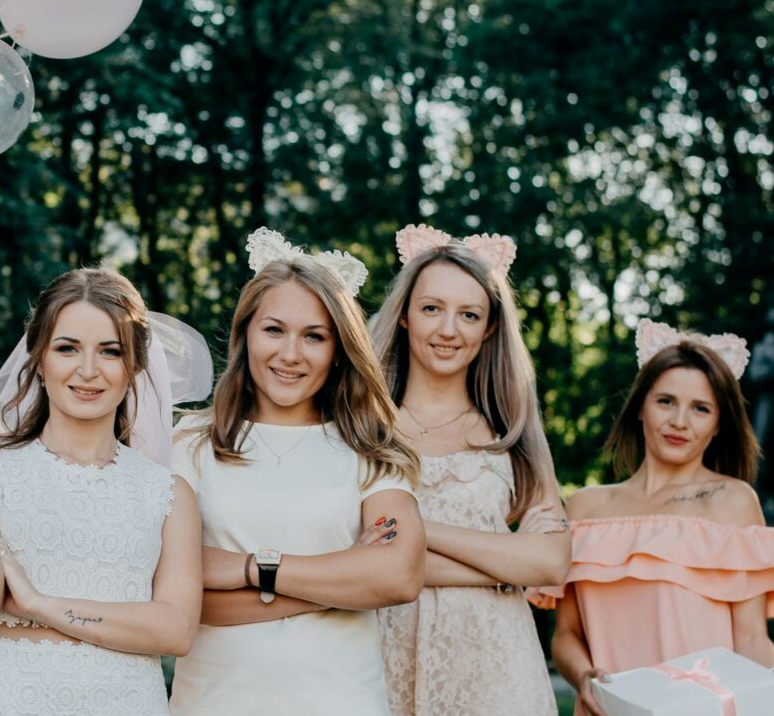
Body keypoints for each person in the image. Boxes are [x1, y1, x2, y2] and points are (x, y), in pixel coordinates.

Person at [0, 267, 203, 716]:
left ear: (134, 365)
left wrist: (40, 604)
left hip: (126, 701)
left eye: (109, 351)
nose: (87, 370)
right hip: (11, 697)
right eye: (67, 348)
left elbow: (175, 630)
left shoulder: (167, 492)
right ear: (39, 357)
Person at [169, 229, 424, 716]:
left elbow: (397, 576)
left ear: (338, 349)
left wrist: (248, 569)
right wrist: (343, 582)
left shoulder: (370, 447)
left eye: (314, 336)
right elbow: (179, 599)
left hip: (341, 701)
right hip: (215, 703)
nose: (290, 354)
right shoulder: (191, 442)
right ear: (246, 332)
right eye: (274, 330)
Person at [372, 224, 568, 716]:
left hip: (496, 665)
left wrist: (412, 531)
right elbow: (349, 553)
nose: (448, 330)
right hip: (381, 654)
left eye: (469, 314)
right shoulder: (365, 427)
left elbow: (548, 563)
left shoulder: (511, 428)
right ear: (404, 317)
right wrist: (505, 565)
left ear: (490, 327)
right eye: (432, 308)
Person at [539, 319, 773, 716]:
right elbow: (567, 634)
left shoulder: (733, 502)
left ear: (719, 425)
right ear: (640, 408)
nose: (680, 421)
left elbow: (751, 639)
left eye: (700, 408)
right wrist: (584, 678)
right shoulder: (584, 509)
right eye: (666, 401)